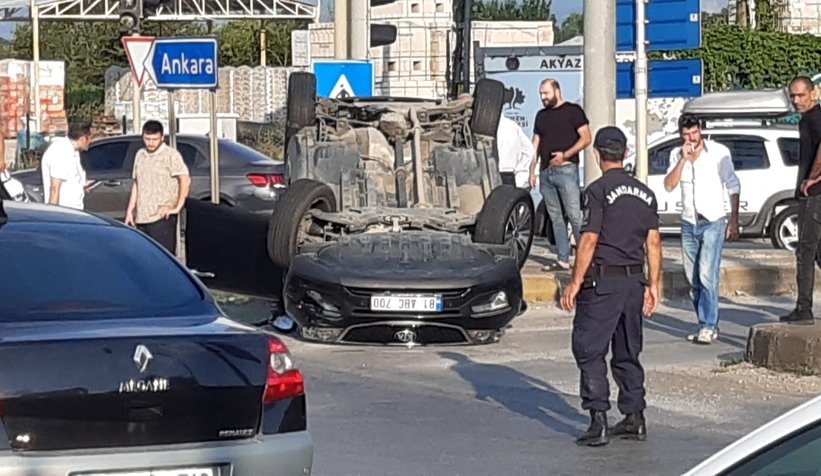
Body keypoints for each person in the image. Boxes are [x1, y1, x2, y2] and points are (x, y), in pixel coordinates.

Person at [560, 126, 661, 447]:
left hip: (603, 281)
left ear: (597, 153)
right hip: (634, 281)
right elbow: (654, 243)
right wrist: (654, 284)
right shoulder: (645, 193)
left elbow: (589, 238)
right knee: (628, 351)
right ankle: (634, 417)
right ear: (625, 153)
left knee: (589, 348)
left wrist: (574, 282)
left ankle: (598, 419)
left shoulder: (597, 191)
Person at [664, 113, 740, 344]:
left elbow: (733, 185)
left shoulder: (718, 152)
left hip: (714, 220)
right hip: (689, 222)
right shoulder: (677, 154)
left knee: (707, 274)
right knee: (692, 277)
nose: (691, 138)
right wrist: (683, 160)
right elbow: (669, 185)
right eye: (686, 134)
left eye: (694, 132)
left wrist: (734, 219)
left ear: (701, 130)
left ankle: (709, 324)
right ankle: (704, 323)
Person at [528, 78, 592, 270]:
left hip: (566, 169)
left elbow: (586, 138)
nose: (543, 97)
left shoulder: (573, 111)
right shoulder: (541, 116)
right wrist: (532, 170)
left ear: (557, 90)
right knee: (556, 217)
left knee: (574, 215)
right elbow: (535, 144)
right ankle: (563, 258)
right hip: (546, 172)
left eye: (546, 93)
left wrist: (566, 155)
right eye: (540, 94)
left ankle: (585, 259)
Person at [781, 76, 821, 325]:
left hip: (814, 197)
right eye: (793, 96)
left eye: (801, 95)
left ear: (813, 93)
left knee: (805, 251)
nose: (796, 100)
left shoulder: (814, 117)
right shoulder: (809, 118)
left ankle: (803, 308)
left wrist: (812, 178)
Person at [125, 120, 191, 255]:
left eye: (154, 139)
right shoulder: (140, 155)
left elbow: (185, 180)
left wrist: (177, 207)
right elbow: (137, 183)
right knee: (143, 257)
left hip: (161, 217)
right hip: (142, 217)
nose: (150, 143)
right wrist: (130, 211)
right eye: (147, 139)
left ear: (161, 137)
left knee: (163, 257)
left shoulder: (171, 155)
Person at [40, 121, 93, 210]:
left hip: (75, 211)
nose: (91, 141)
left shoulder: (74, 152)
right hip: (65, 213)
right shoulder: (61, 152)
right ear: (83, 139)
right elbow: (55, 188)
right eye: (90, 138)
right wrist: (53, 215)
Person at [497, 114, 534, 188]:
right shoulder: (513, 126)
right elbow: (529, 149)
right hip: (510, 174)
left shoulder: (483, 129)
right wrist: (519, 168)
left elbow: (529, 150)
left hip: (494, 173)